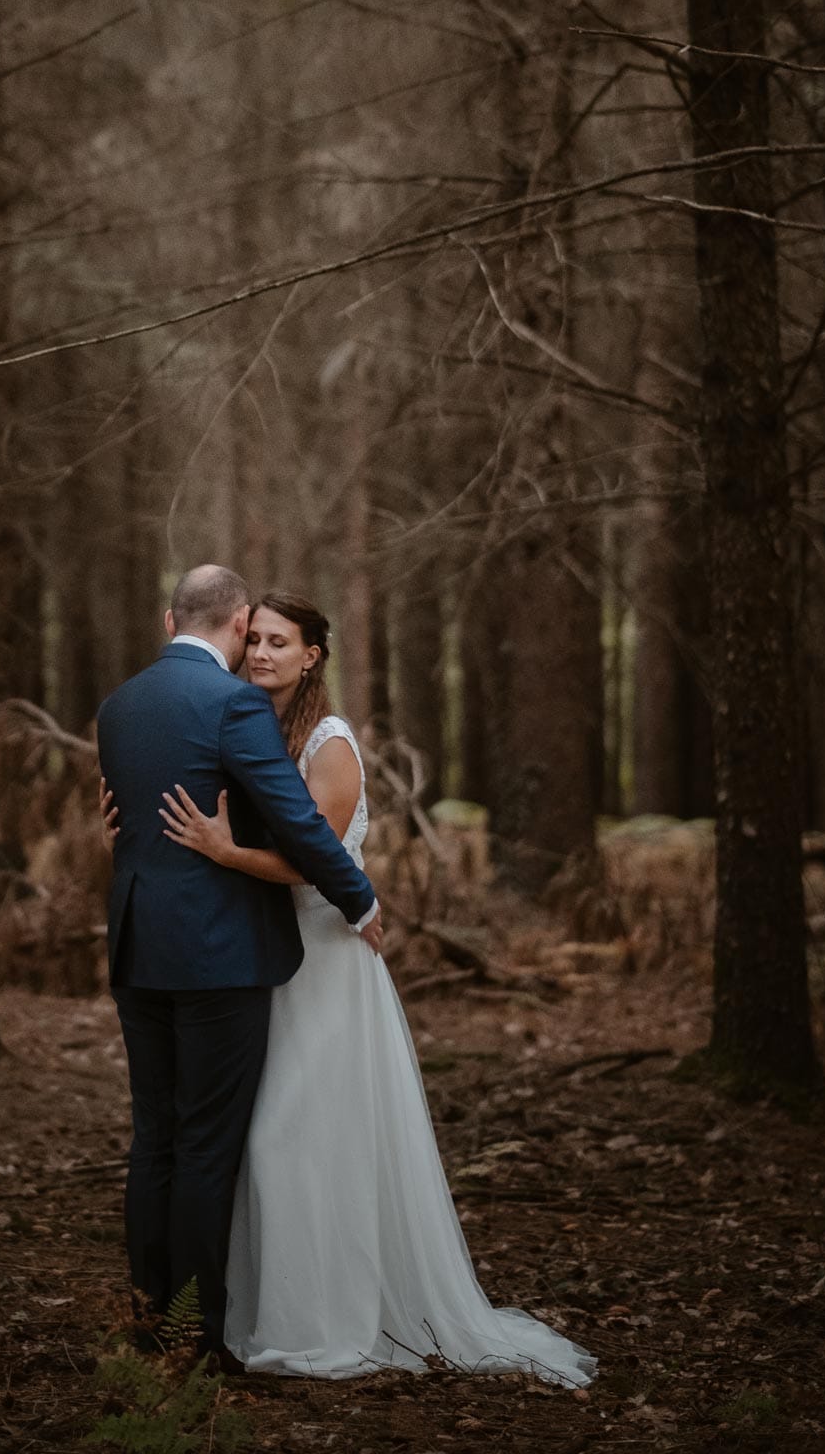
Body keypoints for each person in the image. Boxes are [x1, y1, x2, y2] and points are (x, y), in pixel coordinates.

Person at [154, 589, 597, 1386]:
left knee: (301, 1141)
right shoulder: (241, 725)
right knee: (264, 1146)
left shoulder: (328, 743)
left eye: (278, 643)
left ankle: (331, 1320)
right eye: (252, 639)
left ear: (311, 655)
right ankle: (265, 1314)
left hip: (324, 961)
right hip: (261, 962)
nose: (259, 654)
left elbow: (315, 861)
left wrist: (224, 854)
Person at [95, 564, 384, 1366]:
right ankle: (197, 1337)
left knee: (154, 1137)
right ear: (231, 627)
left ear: (167, 620)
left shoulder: (119, 705)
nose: (254, 651)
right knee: (205, 1148)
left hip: (137, 943)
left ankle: (147, 1320)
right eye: (249, 634)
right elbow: (297, 823)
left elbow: (127, 820)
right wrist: (359, 900)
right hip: (218, 953)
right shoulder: (232, 705)